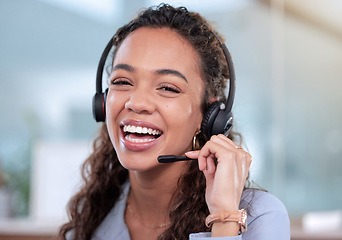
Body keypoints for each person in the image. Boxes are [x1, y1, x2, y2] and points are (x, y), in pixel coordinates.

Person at [59, 4, 290, 240]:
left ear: (209, 115)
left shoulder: (259, 217)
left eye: (168, 87)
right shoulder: (93, 216)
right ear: (103, 102)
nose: (137, 103)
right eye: (123, 81)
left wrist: (224, 219)